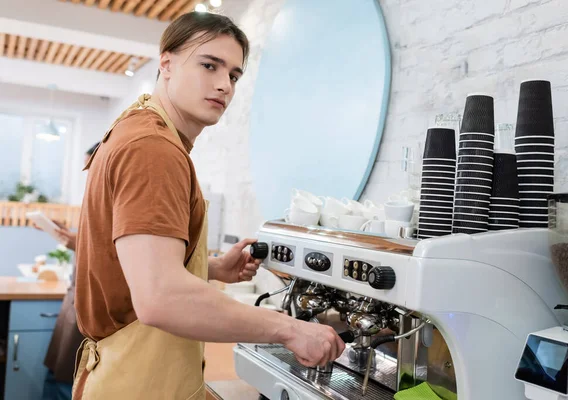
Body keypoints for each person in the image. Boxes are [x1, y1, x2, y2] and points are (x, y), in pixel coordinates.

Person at [72, 12, 345, 400]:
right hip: (138, 382)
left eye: (233, 75)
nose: (224, 85)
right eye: (209, 65)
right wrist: (290, 328)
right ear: (166, 63)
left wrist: (209, 267)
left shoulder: (139, 129)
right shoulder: (153, 149)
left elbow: (134, 268)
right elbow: (160, 297)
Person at [40, 142, 99, 400]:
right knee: (55, 374)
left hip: (88, 304)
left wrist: (78, 243)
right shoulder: (94, 200)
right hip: (74, 299)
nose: (87, 173)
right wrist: (65, 232)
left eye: (90, 166)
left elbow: (113, 256)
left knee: (68, 381)